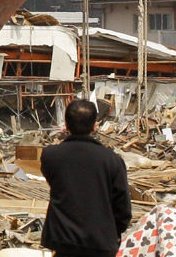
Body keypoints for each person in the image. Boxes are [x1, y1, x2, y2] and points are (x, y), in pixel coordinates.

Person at [41, 99, 133, 257]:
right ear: (94, 126)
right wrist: (112, 232)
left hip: (64, 243)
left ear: (66, 124)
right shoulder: (112, 160)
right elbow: (122, 207)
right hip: (101, 243)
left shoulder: (51, 156)